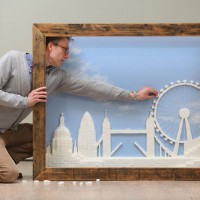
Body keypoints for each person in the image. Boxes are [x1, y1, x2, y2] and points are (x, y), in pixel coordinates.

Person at [0, 37, 158, 183]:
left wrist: (134, 95)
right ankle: (6, 169)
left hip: (8, 132)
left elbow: (92, 87)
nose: (67, 56)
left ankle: (4, 162)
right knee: (10, 175)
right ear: (50, 46)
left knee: (40, 136)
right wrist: (25, 101)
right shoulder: (13, 59)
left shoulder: (56, 77)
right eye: (65, 50)